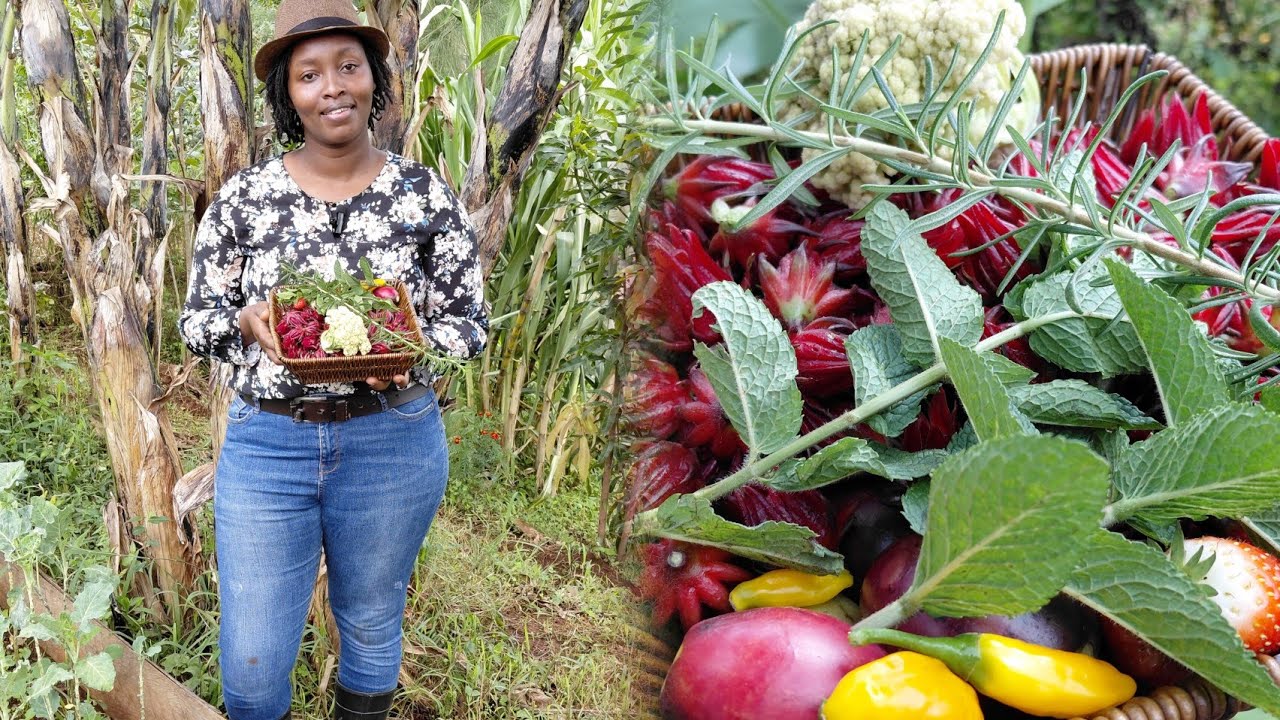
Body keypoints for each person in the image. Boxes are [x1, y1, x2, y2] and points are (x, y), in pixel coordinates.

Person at [178, 1, 487, 718]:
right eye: (309, 74)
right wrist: (246, 324)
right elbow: (198, 322)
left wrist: (409, 353)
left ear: (375, 79)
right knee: (252, 662)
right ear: (289, 95)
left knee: (373, 623)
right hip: (269, 443)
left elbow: (469, 325)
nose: (333, 87)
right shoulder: (246, 200)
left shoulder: (424, 196)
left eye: (349, 67)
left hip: (393, 438)